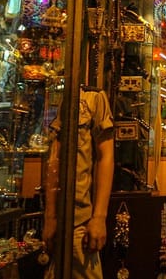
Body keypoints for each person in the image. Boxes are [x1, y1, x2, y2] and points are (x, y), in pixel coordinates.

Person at [44, 88, 114, 279]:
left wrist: (99, 217)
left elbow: (105, 156)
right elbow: (54, 158)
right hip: (56, 220)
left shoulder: (94, 97)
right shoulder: (58, 92)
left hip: (79, 223)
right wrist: (50, 216)